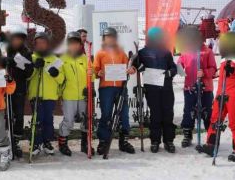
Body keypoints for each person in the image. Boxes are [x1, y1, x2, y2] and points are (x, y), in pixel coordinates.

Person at [197, 32, 235, 162]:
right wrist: (211, 74)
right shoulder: (224, 58)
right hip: (221, 93)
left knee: (234, 122)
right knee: (215, 120)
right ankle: (211, 145)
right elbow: (221, 74)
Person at [93, 27, 136, 155]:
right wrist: (98, 72)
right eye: (107, 37)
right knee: (106, 114)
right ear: (104, 39)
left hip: (120, 87)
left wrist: (132, 70)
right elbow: (95, 69)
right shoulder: (100, 53)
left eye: (112, 37)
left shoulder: (121, 53)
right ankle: (103, 141)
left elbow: (129, 66)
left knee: (123, 114)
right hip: (106, 88)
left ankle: (124, 141)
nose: (110, 39)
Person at [135, 27, 178, 153]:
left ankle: (168, 140)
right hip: (152, 88)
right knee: (155, 115)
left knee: (168, 114)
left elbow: (173, 68)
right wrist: (138, 65)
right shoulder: (143, 52)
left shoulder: (166, 52)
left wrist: (169, 73)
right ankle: (155, 141)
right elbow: (136, 64)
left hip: (166, 88)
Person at [177, 26, 217, 148]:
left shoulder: (208, 51)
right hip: (190, 87)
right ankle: (187, 134)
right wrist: (179, 69)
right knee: (188, 111)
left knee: (207, 112)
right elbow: (180, 63)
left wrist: (204, 72)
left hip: (205, 88)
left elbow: (214, 69)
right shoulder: (186, 51)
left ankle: (211, 137)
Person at [28, 32, 64, 156]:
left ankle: (46, 141)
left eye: (43, 42)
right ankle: (35, 143)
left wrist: (56, 74)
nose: (41, 45)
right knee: (37, 120)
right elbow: (27, 77)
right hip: (36, 94)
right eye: (38, 43)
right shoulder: (31, 57)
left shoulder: (55, 60)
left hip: (50, 95)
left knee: (48, 119)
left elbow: (62, 79)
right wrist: (34, 68)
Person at [58, 31, 93, 156]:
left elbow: (91, 75)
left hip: (83, 95)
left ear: (79, 44)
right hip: (69, 95)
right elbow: (60, 78)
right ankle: (62, 143)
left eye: (76, 43)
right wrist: (55, 74)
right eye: (71, 43)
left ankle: (85, 145)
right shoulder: (62, 59)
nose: (73, 45)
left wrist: (90, 86)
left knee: (86, 120)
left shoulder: (85, 58)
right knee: (68, 121)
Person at [4, 25, 32, 158]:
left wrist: (17, 63)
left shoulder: (27, 53)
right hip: (4, 88)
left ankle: (15, 141)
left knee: (19, 115)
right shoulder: (5, 50)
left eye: (20, 39)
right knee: (5, 114)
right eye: (15, 38)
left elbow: (29, 71)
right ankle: (4, 140)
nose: (17, 41)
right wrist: (5, 61)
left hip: (19, 88)